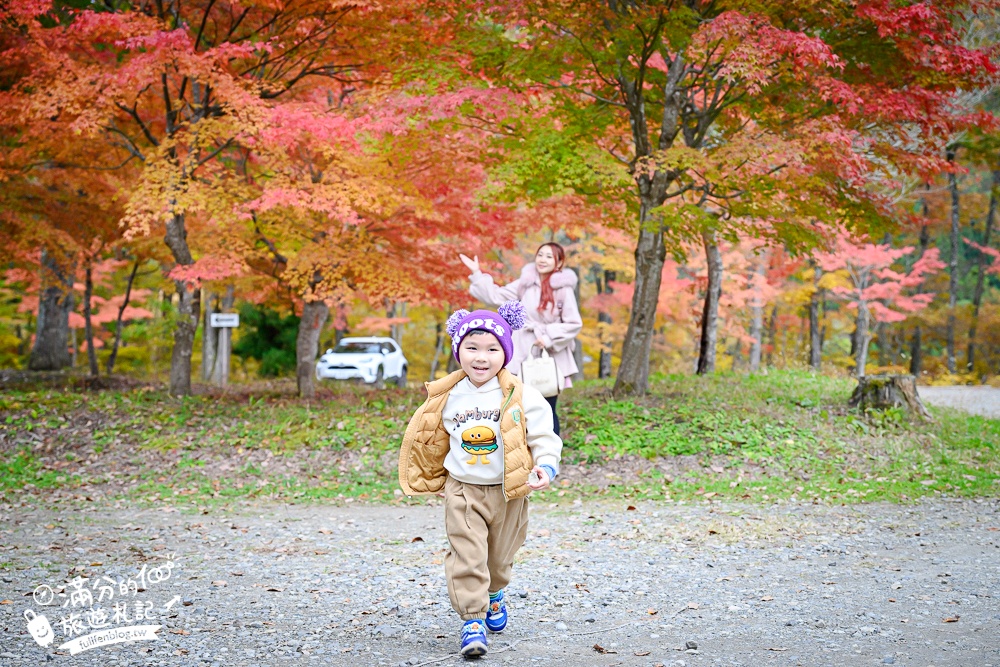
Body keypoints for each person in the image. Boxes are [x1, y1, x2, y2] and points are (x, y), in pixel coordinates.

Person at [398, 301, 562, 658]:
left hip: (509, 490)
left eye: (492, 349)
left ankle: (495, 592)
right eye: (472, 347)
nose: (481, 357)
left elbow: (544, 435)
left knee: (499, 560)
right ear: (459, 351)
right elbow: (433, 439)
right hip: (463, 488)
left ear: (505, 353)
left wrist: (546, 466)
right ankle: (472, 620)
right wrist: (431, 474)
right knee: (467, 555)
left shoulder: (521, 394)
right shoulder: (446, 395)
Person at [460, 242, 582, 435]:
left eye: (549, 256)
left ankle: (549, 452)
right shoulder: (525, 283)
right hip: (522, 351)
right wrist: (477, 273)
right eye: (540, 254)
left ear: (558, 263)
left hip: (549, 356)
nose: (542, 260)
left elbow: (573, 323)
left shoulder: (563, 289)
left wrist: (548, 337)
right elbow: (496, 296)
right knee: (519, 406)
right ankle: (521, 450)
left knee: (547, 407)